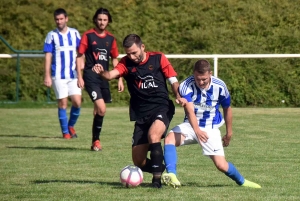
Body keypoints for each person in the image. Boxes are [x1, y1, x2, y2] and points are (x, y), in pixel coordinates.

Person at [92, 34, 181, 188]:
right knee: (138, 162)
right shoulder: (125, 63)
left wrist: (178, 95)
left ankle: (156, 181)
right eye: (128, 53)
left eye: (134, 52)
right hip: (141, 113)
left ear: (142, 47)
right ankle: (162, 167)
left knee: (153, 135)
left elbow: (173, 80)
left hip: (162, 107)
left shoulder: (158, 58)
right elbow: (111, 75)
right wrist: (102, 73)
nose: (132, 56)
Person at [162, 59, 261, 189]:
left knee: (221, 165)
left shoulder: (220, 86)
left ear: (210, 73)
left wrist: (229, 133)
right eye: (198, 79)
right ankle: (172, 176)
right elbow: (190, 111)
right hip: (191, 125)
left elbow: (227, 108)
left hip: (211, 128)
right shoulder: (186, 85)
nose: (201, 82)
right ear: (194, 74)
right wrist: (196, 130)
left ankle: (243, 182)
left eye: (204, 79)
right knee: (169, 139)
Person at [76, 8, 124, 151]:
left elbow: (115, 60)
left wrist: (119, 78)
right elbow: (79, 56)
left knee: (98, 110)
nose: (102, 22)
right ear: (95, 20)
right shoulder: (88, 36)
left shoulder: (111, 39)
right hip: (91, 76)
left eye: (104, 20)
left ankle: (93, 143)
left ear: (108, 21)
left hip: (104, 77)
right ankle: (97, 141)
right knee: (102, 109)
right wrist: (79, 76)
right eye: (99, 19)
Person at [43, 8, 81, 139]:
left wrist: (81, 73)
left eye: (61, 19)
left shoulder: (75, 33)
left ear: (66, 19)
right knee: (63, 103)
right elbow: (48, 56)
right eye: (57, 19)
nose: (59, 21)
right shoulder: (51, 35)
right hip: (58, 75)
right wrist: (47, 75)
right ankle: (65, 133)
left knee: (77, 102)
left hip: (73, 75)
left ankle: (70, 126)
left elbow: (80, 54)